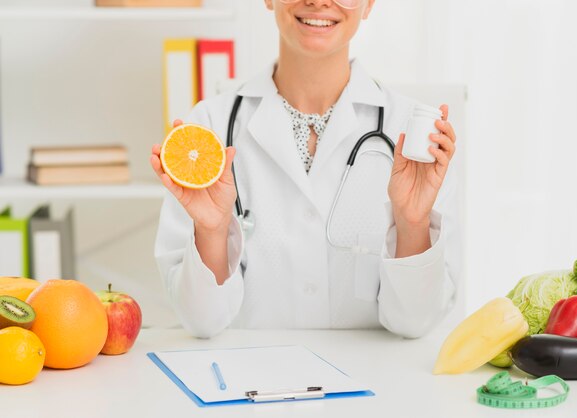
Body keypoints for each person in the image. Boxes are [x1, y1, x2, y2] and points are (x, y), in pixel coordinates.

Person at [150, 0, 459, 339]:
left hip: (373, 383)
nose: (319, 1)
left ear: (369, 4)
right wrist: (212, 231)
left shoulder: (416, 135)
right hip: (249, 377)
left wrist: (412, 222)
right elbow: (202, 322)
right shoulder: (208, 129)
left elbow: (414, 324)